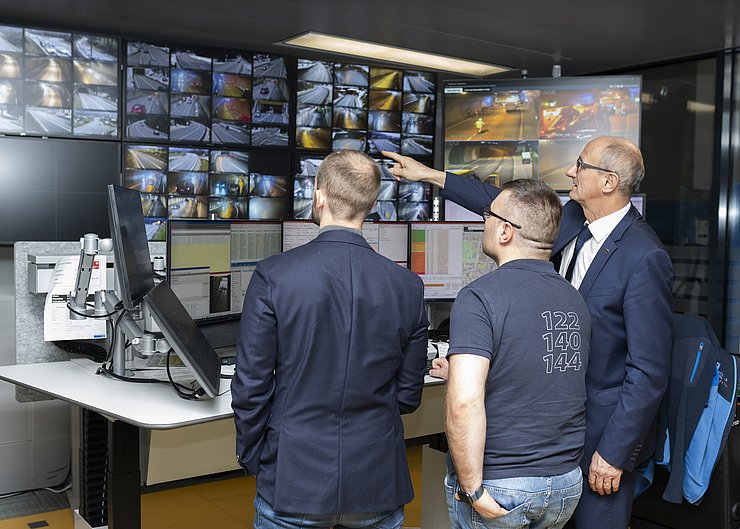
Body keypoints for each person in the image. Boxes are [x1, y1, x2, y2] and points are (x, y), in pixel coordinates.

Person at [383, 135, 674, 529]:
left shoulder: (644, 256)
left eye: (580, 164)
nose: (570, 171)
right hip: (551, 437)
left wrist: (615, 452)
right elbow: (502, 204)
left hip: (600, 441)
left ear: (608, 182)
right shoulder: (572, 217)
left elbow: (649, 369)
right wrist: (431, 176)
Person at [231, 150, 429, 529]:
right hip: (376, 479)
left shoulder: (274, 276)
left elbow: (251, 387)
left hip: (293, 477)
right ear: (371, 204)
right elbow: (407, 397)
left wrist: (255, 459)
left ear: (318, 196)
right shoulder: (408, 286)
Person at [445, 179, 591, 529]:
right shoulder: (574, 297)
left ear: (506, 231)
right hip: (565, 483)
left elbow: (464, 403)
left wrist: (472, 490)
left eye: (489, 215)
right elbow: (538, 369)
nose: (485, 221)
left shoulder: (479, 297)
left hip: (502, 484)